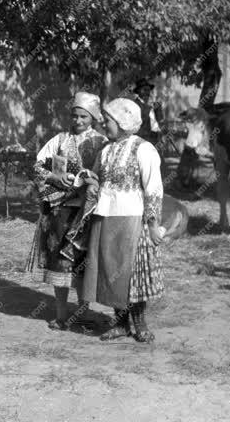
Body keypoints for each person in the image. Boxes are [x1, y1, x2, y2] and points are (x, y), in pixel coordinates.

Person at [81, 98, 165, 343]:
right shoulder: (106, 150)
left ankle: (139, 322)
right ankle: (120, 322)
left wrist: (151, 224)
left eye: (108, 121)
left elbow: (153, 188)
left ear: (123, 121)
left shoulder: (144, 149)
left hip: (132, 218)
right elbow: (97, 177)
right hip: (105, 215)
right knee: (109, 270)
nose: (104, 124)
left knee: (132, 273)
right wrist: (92, 184)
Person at [25, 92, 107, 330]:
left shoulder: (102, 143)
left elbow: (106, 176)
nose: (78, 121)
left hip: (87, 212)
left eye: (84, 116)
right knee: (59, 262)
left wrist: (91, 183)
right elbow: (37, 166)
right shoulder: (59, 139)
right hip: (60, 212)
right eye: (75, 115)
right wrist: (55, 176)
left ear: (92, 117)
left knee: (83, 263)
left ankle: (83, 311)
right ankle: (61, 314)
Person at [133, 78, 161, 145]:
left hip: (153, 140)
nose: (147, 93)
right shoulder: (135, 105)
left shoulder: (153, 105)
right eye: (144, 90)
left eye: (148, 90)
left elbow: (159, 121)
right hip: (141, 140)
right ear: (138, 91)